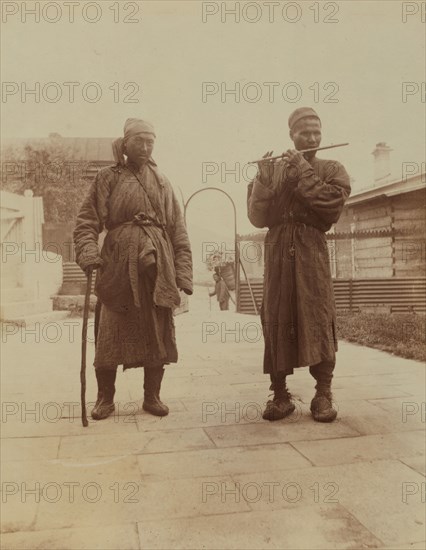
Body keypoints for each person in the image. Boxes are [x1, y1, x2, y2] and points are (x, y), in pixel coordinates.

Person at [73, 118, 193, 420]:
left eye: (150, 141)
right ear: (125, 143)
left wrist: (183, 274)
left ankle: (152, 396)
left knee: (157, 327)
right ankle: (105, 397)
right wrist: (88, 253)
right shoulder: (108, 177)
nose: (145, 146)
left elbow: (178, 229)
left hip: (156, 265)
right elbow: (87, 221)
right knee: (110, 328)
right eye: (138, 140)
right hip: (116, 263)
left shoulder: (162, 180)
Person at [247, 107, 351, 422]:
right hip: (278, 251)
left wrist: (303, 169)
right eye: (304, 132)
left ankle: (323, 393)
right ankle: (279, 395)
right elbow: (258, 217)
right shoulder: (272, 170)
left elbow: (329, 207)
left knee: (318, 314)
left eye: (316, 132)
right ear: (291, 134)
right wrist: (263, 180)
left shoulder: (332, 168)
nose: (312, 137)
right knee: (277, 315)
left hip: (311, 251)